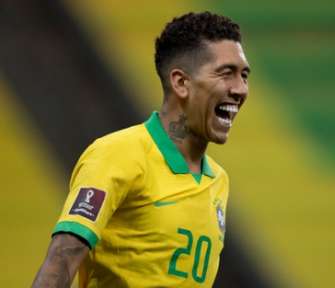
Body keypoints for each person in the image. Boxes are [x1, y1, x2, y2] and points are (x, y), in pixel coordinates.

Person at [32, 11, 250, 287]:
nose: (240, 89)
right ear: (181, 83)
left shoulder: (218, 180)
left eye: (244, 75)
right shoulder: (117, 154)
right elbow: (63, 256)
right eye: (226, 73)